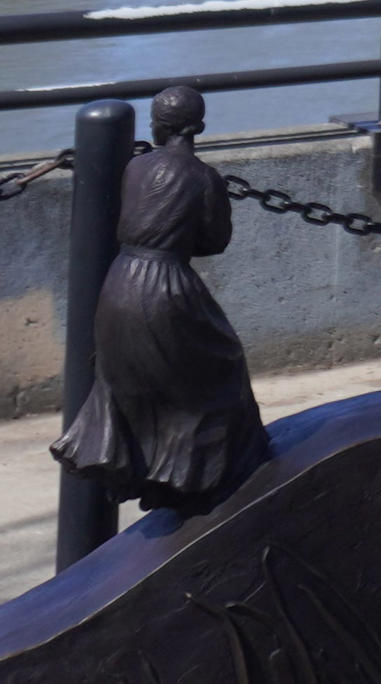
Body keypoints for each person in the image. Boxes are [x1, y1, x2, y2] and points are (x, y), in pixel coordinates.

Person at [52, 82, 272, 516]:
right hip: (167, 287)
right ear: (199, 127)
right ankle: (194, 480)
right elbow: (214, 241)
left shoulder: (135, 168)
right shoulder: (206, 178)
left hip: (119, 283)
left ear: (156, 126)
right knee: (218, 370)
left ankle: (154, 475)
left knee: (131, 383)